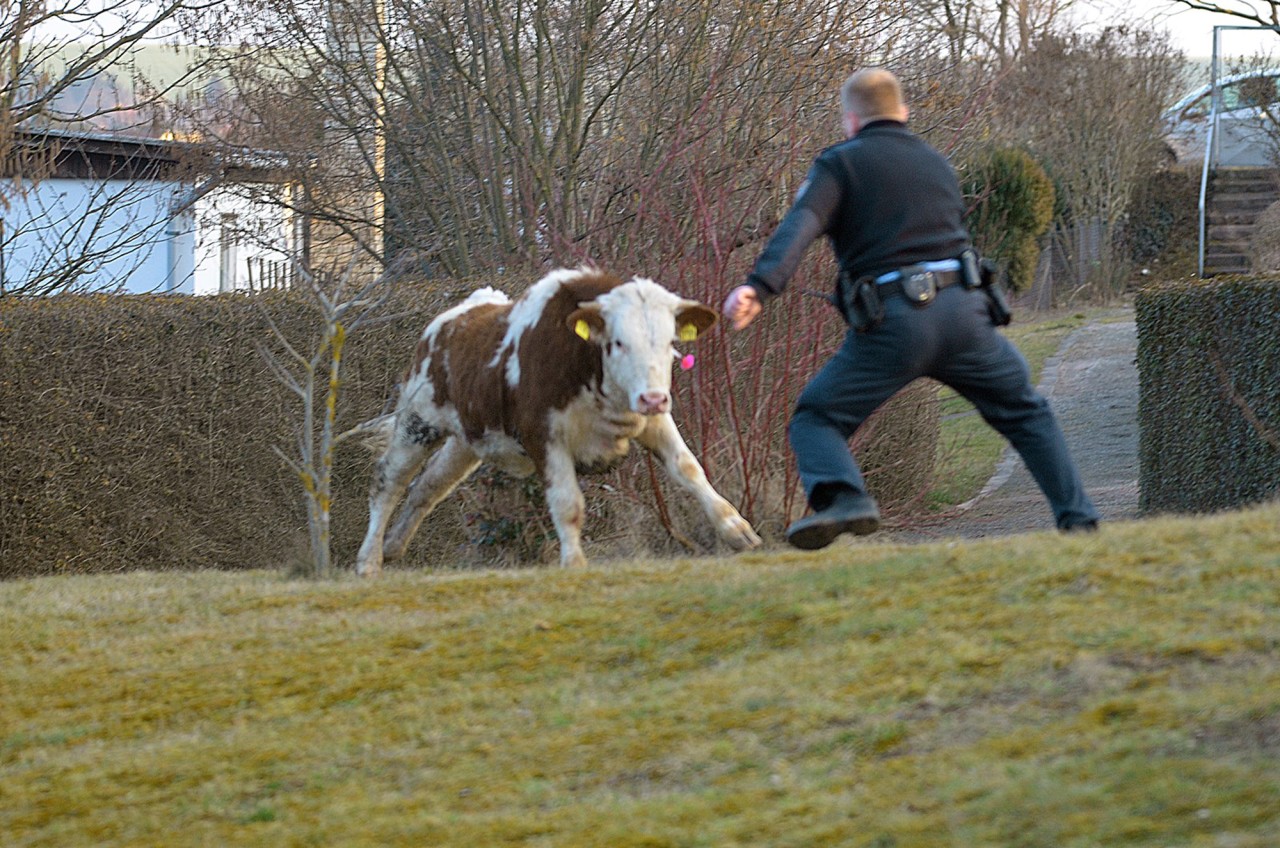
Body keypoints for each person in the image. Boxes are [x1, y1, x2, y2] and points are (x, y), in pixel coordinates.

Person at [722, 67, 1099, 550]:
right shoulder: (936, 162)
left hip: (895, 322)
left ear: (850, 120)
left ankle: (844, 499)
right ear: (903, 112)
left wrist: (759, 285)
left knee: (817, 417)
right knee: (1027, 413)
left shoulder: (840, 164)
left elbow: (802, 223)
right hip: (966, 316)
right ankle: (1080, 520)